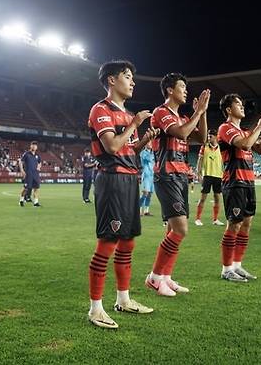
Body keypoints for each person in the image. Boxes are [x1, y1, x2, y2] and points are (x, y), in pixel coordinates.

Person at [86, 60, 159, 329]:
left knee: (127, 243)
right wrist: (135, 124)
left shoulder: (128, 115)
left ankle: (123, 300)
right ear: (111, 81)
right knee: (107, 243)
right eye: (127, 76)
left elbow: (128, 149)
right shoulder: (101, 110)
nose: (133, 82)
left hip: (130, 180)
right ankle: (95, 309)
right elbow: (112, 147)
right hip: (112, 180)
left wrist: (143, 140)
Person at [145, 72, 209, 297]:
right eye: (182, 86)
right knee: (181, 229)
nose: (185, 90)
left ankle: (166, 277)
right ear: (170, 90)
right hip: (167, 175)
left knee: (173, 230)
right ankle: (154, 277)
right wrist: (198, 111)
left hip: (181, 175)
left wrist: (202, 113)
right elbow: (181, 133)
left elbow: (202, 139)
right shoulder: (161, 112)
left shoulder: (182, 117)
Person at [217, 94, 261, 282]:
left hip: (248, 182)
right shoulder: (225, 128)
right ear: (228, 109)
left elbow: (260, 149)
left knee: (246, 224)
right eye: (237, 104)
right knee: (234, 224)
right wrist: (259, 125)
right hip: (234, 182)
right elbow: (245, 145)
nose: (242, 106)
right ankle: (226, 269)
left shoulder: (244, 131)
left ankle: (237, 265)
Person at [194, 129, 224, 226]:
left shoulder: (221, 148)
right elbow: (200, 160)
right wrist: (198, 173)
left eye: (210, 136)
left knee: (217, 198)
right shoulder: (204, 147)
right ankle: (197, 219)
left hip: (218, 176)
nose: (208, 138)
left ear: (216, 137)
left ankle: (215, 219)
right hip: (207, 175)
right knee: (203, 198)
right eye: (208, 136)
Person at [18, 141, 42, 207]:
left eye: (35, 145)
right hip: (28, 174)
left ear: (37, 147)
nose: (34, 146)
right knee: (25, 188)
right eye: (33, 145)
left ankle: (36, 202)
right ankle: (21, 200)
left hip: (35, 174)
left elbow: (40, 162)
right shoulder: (26, 154)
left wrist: (39, 167)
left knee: (36, 188)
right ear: (30, 146)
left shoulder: (37, 156)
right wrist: (22, 170)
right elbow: (20, 162)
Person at [139, 141, 154, 216]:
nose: (150, 144)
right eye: (149, 143)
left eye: (151, 143)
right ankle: (138, 209)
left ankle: (146, 211)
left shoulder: (153, 153)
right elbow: (147, 160)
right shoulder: (143, 153)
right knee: (145, 193)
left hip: (152, 176)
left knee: (150, 194)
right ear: (145, 144)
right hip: (146, 175)